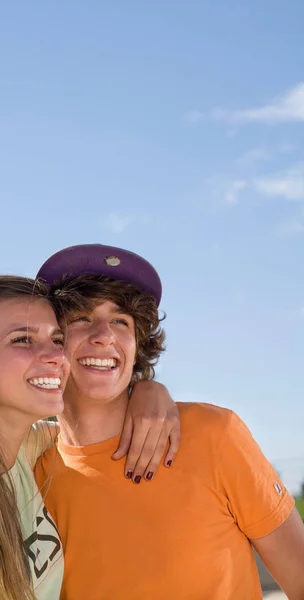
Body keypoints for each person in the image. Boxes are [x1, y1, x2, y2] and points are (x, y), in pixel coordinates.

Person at [35, 244, 304, 600]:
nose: (105, 335)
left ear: (137, 346)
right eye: (82, 318)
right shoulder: (29, 470)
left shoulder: (213, 434)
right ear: (51, 341)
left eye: (121, 321)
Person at [0, 274, 180, 600]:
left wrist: (147, 388)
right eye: (23, 340)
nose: (56, 357)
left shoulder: (23, 451)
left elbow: (87, 427)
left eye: (58, 340)